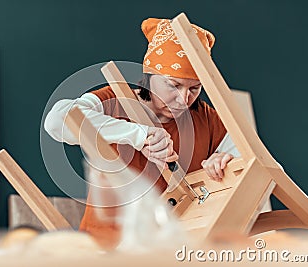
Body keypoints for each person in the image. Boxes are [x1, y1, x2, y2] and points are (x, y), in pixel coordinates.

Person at [44, 17, 235, 249]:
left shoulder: (208, 118)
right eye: (173, 85)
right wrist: (139, 135)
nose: (184, 100)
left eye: (194, 88)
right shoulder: (116, 99)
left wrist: (226, 161)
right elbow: (56, 121)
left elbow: (258, 165)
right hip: (105, 248)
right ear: (149, 76)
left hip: (177, 250)